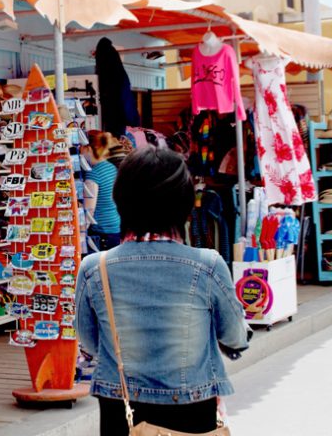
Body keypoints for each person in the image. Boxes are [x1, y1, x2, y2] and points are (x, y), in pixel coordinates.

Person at [75, 147, 249, 435]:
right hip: (192, 404)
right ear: (183, 204)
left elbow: (91, 344)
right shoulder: (207, 265)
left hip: (121, 406)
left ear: (122, 201)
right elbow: (234, 336)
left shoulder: (95, 268)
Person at [83, 130, 121, 250]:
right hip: (115, 228)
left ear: (88, 148)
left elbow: (89, 212)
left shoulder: (93, 175)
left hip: (102, 234)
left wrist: (80, 232)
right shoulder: (111, 167)